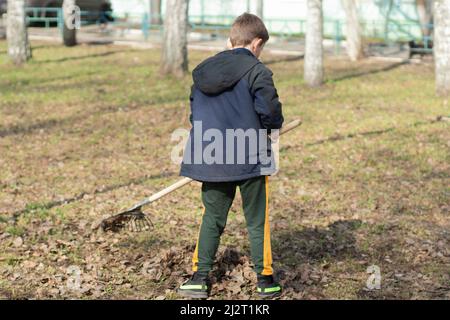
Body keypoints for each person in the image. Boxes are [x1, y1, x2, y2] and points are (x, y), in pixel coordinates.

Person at [178, 13, 284, 299]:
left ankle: (198, 279)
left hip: (210, 156)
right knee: (256, 219)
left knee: (212, 216)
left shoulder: (202, 71)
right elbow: (271, 114)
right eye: (261, 47)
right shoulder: (258, 71)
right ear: (256, 43)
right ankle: (265, 280)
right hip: (249, 156)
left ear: (232, 39)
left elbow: (194, 114)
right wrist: (271, 129)